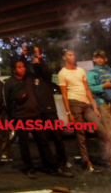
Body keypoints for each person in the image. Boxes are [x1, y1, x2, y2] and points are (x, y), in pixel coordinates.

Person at [4, 58, 67, 179]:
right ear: (13, 69)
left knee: (42, 141)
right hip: (20, 117)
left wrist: (36, 59)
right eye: (19, 67)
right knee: (24, 144)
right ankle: (29, 168)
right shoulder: (9, 83)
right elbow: (6, 102)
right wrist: (12, 117)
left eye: (23, 66)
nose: (22, 69)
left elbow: (45, 73)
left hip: (34, 115)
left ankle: (52, 167)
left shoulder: (29, 78)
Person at [58, 49, 110, 173]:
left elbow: (87, 89)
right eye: (70, 55)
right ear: (64, 58)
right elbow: (64, 95)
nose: (73, 57)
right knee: (80, 134)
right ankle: (87, 162)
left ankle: (109, 156)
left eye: (74, 54)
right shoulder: (62, 73)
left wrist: (94, 106)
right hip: (74, 103)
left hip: (85, 104)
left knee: (101, 130)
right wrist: (69, 113)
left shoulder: (80, 70)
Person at [25, 46, 72, 174]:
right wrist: (24, 54)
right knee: (42, 141)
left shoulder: (46, 76)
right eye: (33, 61)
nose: (35, 63)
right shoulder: (29, 77)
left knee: (57, 137)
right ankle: (48, 163)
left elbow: (47, 70)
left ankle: (62, 162)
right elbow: (22, 66)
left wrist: (39, 56)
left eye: (37, 61)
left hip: (49, 111)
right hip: (36, 113)